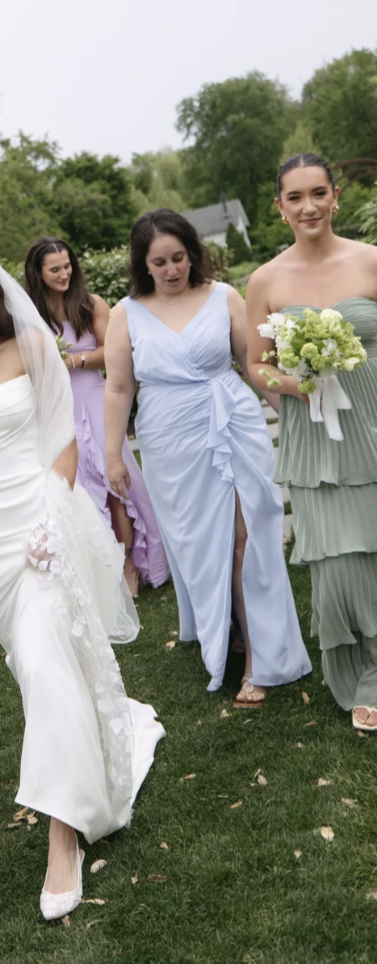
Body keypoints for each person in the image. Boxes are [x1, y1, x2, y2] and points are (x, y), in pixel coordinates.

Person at [0, 237, 164, 921]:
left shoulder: (26, 345)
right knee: (36, 672)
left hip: (39, 519)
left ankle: (63, 838)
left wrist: (53, 514)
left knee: (49, 668)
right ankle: (85, 768)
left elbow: (65, 437)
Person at [104, 211, 311, 706]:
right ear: (144, 264)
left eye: (178, 258)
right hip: (168, 439)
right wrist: (114, 453)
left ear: (191, 253)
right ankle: (230, 626)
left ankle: (260, 659)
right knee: (200, 543)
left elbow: (251, 364)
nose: (172, 269)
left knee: (246, 534)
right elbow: (117, 388)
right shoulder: (125, 313)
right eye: (160, 262)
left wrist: (298, 416)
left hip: (232, 420)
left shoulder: (224, 296)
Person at [246, 154, 377, 731]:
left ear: (336, 196)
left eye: (317, 194)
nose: (308, 207)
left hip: (372, 422)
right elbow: (257, 364)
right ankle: (363, 671)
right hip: (316, 440)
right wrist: (296, 385)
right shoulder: (265, 281)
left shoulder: (371, 261)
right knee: (341, 566)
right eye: (295, 198)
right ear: (280, 209)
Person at [24, 237, 169, 596]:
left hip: (94, 399)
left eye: (67, 265)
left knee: (114, 486)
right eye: (54, 269)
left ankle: (130, 566)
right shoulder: (29, 317)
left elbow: (114, 354)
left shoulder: (91, 304)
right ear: (38, 274)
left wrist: (73, 360)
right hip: (58, 409)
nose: (64, 273)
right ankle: (100, 568)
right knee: (81, 492)